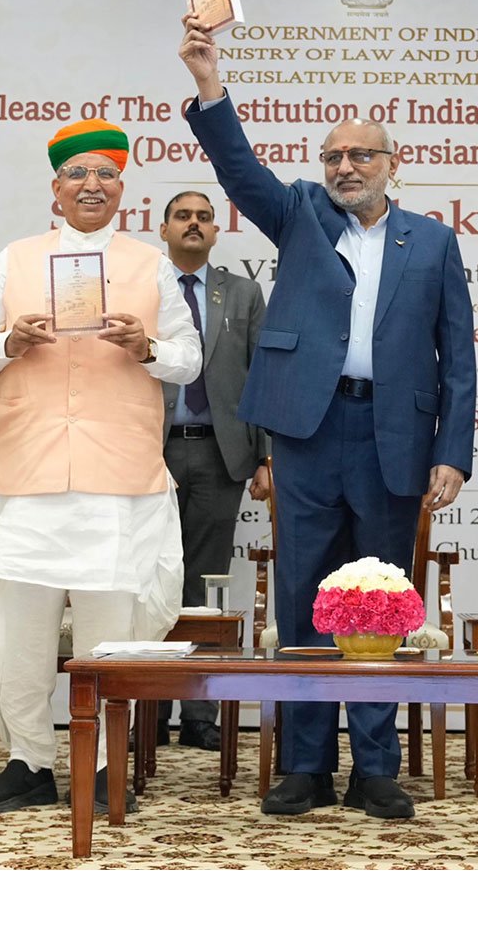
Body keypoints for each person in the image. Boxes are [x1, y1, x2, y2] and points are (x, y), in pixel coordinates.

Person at [179, 12, 475, 820]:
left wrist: (453, 452)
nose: (346, 167)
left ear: (392, 164)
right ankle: (305, 763)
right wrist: (211, 83)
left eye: (360, 155)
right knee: (309, 595)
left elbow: (460, 353)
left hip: (394, 436)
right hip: (309, 432)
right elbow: (240, 170)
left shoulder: (433, 241)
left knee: (380, 599)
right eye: (334, 156)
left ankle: (375, 766)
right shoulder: (301, 214)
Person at [0, 118, 200, 815]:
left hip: (115, 477)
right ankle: (28, 761)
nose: (92, 185)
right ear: (55, 189)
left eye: (106, 174)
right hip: (27, 472)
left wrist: (146, 345)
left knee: (109, 636)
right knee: (19, 632)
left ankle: (99, 765)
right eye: (77, 175)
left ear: (123, 188)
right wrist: (11, 338)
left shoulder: (149, 263)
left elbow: (190, 359)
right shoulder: (16, 258)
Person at [155, 190, 271, 751]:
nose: (194, 224)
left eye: (204, 217)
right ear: (164, 228)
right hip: (147, 451)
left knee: (205, 583)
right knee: (148, 580)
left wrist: (267, 454)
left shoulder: (243, 293)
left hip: (218, 452)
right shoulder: (143, 286)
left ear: (216, 233)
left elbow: (264, 374)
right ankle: (146, 710)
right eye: (184, 216)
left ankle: (198, 712)